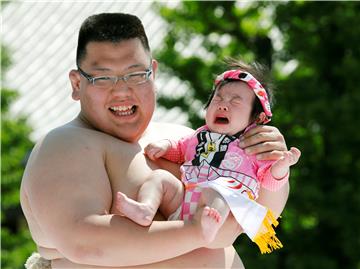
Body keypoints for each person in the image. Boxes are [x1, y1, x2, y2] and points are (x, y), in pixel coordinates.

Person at [20, 13, 292, 269]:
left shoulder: (184, 138)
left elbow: (259, 219)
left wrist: (273, 167)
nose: (122, 91)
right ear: (77, 84)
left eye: (136, 75)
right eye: (104, 78)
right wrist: (199, 231)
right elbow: (86, 243)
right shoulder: (63, 146)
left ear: (153, 73)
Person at [115, 60, 301, 253]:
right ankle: (146, 208)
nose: (223, 106)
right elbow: (180, 150)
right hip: (183, 203)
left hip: (220, 219)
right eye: (217, 99)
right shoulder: (199, 136)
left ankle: (206, 229)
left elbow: (269, 182)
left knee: (216, 190)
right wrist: (164, 147)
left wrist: (281, 167)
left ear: (257, 118)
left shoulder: (254, 146)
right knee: (159, 178)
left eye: (235, 102)